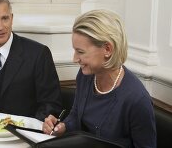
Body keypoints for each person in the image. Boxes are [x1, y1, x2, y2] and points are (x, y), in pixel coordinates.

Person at [42, 9, 156, 147]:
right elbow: (75, 115)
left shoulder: (137, 100)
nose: (74, 59)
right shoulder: (85, 76)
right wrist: (62, 127)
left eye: (80, 51)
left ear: (107, 49)